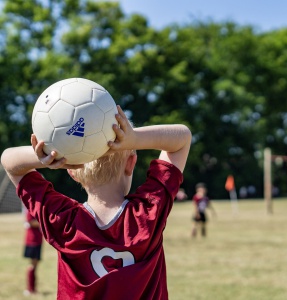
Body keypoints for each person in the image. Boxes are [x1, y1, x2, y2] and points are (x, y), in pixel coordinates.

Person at [1, 105, 191, 300]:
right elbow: (182, 137)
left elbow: (9, 161)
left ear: (72, 172)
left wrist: (50, 155)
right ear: (131, 162)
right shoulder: (148, 213)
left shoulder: (62, 220)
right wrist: (134, 138)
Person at [23, 207, 43, 296]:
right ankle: (30, 289)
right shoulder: (30, 209)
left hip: (37, 241)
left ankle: (33, 288)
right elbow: (31, 222)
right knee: (32, 264)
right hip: (32, 241)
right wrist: (43, 222)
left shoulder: (36, 208)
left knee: (35, 265)